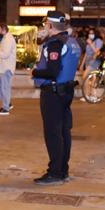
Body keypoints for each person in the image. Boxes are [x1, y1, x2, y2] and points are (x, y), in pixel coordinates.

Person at [32, 12, 80, 184]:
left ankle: (55, 172)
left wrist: (34, 71)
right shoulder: (72, 42)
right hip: (66, 91)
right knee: (64, 131)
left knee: (53, 133)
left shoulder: (54, 44)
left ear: (50, 26)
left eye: (46, 24)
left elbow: (52, 72)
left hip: (53, 93)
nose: (45, 27)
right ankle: (63, 170)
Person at [0, 21, 16, 115]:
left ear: (3, 29)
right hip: (2, 67)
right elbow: (3, 52)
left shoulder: (9, 39)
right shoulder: (5, 38)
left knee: (5, 88)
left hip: (6, 68)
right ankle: (7, 103)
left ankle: (5, 108)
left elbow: (5, 54)